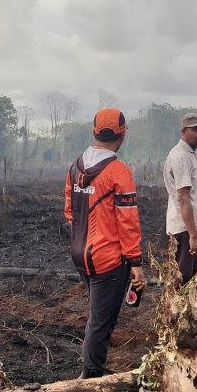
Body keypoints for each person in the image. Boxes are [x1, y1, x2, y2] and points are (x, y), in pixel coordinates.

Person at [65, 108, 146, 378]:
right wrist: (135, 262)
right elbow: (128, 220)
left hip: (80, 254)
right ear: (122, 135)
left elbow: (70, 211)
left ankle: (94, 368)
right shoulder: (119, 171)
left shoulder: (76, 167)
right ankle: (90, 377)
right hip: (108, 259)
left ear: (94, 131)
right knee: (101, 321)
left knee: (99, 314)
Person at [164, 113, 197, 285]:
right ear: (184, 131)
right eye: (195, 130)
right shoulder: (180, 157)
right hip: (186, 230)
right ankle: (177, 311)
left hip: (194, 226)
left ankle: (194, 311)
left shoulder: (189, 154)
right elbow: (184, 198)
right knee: (182, 277)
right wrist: (193, 236)